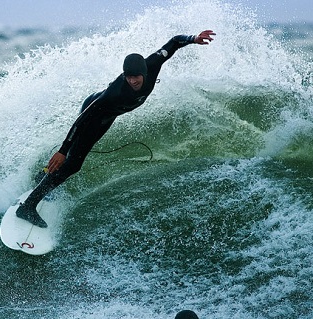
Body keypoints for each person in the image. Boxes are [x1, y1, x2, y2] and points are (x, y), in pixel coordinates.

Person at [17, 30, 216, 227]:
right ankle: (28, 206)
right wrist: (62, 150)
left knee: (75, 157)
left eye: (136, 77)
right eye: (128, 77)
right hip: (94, 113)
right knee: (73, 163)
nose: (132, 81)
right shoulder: (114, 93)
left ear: (144, 72)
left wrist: (193, 39)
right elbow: (82, 119)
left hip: (109, 116)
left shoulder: (153, 63)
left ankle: (44, 175)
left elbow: (173, 42)